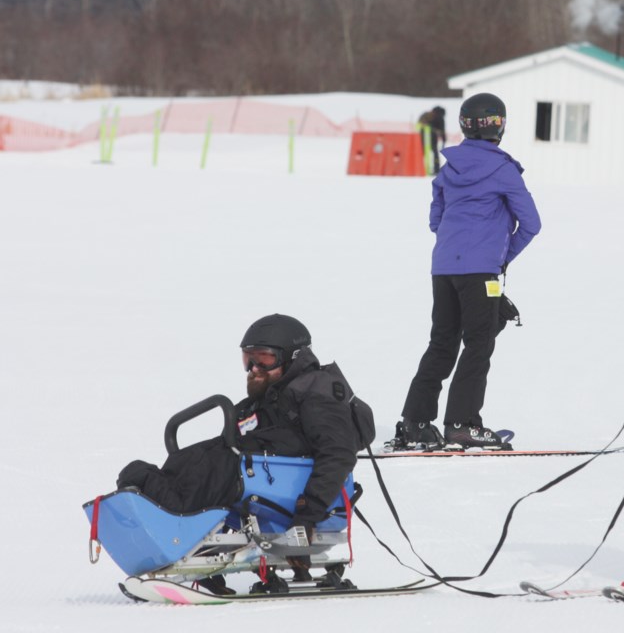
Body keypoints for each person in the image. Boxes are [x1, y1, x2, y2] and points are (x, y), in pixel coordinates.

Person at [117, 313, 373, 587]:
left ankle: (162, 506)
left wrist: (307, 515)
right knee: (190, 461)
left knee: (215, 465)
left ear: (292, 358)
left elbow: (338, 453)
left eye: (264, 359)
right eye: (248, 359)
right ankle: (148, 496)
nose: (254, 367)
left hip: (300, 495)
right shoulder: (260, 403)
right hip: (258, 479)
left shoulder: (316, 392)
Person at [398, 92, 541, 451]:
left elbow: (436, 219)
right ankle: (462, 423)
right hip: (481, 273)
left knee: (442, 342)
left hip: (443, 268)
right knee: (479, 343)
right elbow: (532, 223)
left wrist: (459, 247)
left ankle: (415, 422)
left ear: (463, 125)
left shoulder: (448, 169)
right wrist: (499, 255)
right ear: (500, 126)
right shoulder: (504, 169)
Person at [417, 106, 447, 175]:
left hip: (432, 139)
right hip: (424, 138)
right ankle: (423, 169)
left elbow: (442, 131)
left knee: (434, 153)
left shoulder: (439, 119)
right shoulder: (426, 116)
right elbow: (421, 125)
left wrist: (443, 140)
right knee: (424, 153)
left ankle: (435, 169)